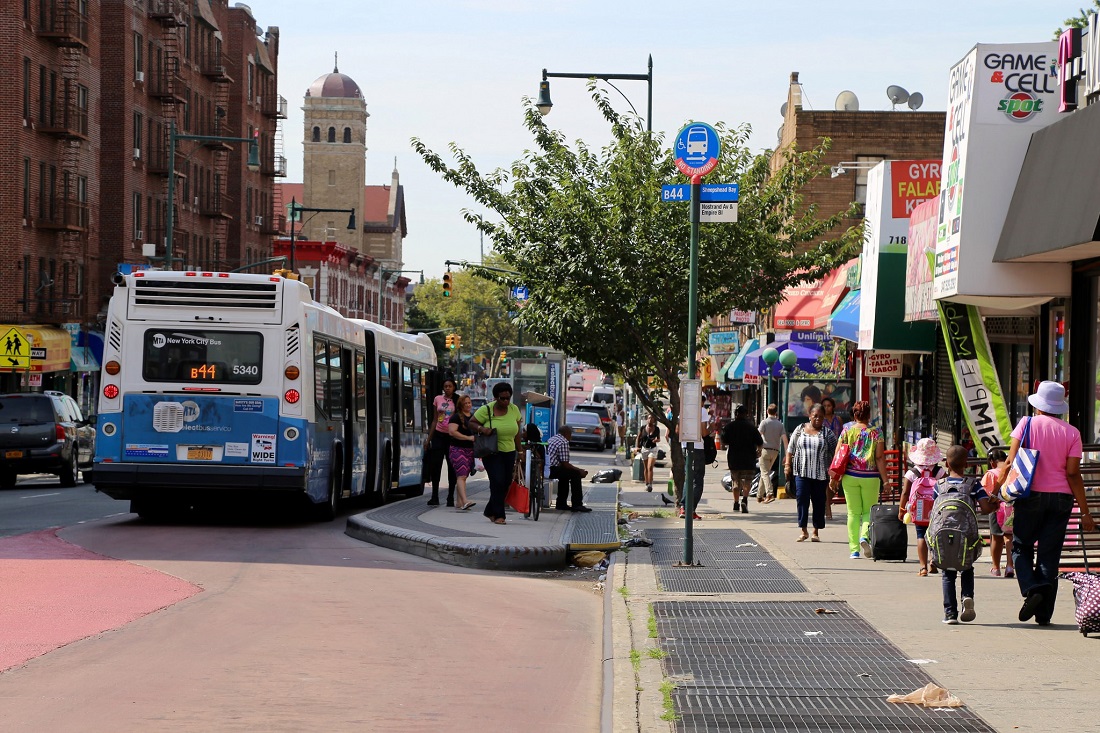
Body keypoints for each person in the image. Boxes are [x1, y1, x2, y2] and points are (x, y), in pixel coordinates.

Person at [997, 381, 1096, 626]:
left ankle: (1032, 588)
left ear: (1038, 404)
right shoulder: (1072, 432)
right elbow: (1073, 473)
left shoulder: (1026, 424)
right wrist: (1085, 512)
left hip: (1030, 495)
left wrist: (997, 488)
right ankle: (1043, 614)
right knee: (1049, 555)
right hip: (1062, 498)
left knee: (1021, 546)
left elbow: (1010, 462)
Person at [936, 445, 997, 624]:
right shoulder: (973, 484)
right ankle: (967, 596)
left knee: (947, 573)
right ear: (967, 464)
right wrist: (994, 504)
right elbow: (985, 508)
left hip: (944, 535)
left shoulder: (939, 486)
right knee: (967, 567)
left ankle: (950, 614)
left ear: (947, 464)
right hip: (967, 535)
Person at [830, 400, 887, 559]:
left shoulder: (846, 430)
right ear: (869, 415)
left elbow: (838, 453)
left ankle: (854, 550)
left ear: (854, 414)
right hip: (870, 477)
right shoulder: (877, 432)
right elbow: (880, 457)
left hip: (850, 476)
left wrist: (835, 476)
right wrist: (886, 481)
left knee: (853, 513)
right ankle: (864, 536)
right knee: (869, 511)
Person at [470, 382, 523, 525]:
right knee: (497, 481)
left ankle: (489, 510)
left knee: (505, 483)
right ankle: (500, 515)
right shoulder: (486, 409)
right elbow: (472, 422)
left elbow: (517, 432)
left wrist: (520, 451)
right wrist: (482, 429)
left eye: (508, 398)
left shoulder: (514, 409)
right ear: (495, 398)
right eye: (502, 398)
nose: (506, 401)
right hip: (492, 452)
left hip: (509, 451)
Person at [784, 404, 837, 542]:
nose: (818, 418)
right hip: (801, 472)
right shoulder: (800, 429)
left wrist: (834, 472)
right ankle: (803, 530)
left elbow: (836, 452)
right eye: (815, 416)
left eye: (820, 416)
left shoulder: (828, 434)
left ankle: (815, 531)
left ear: (824, 417)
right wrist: (787, 465)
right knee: (802, 499)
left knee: (819, 502)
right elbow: (790, 448)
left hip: (820, 475)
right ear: (810, 416)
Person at [899, 438, 947, 576]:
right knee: (936, 535)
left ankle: (922, 567)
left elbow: (905, 493)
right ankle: (933, 561)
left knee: (921, 535)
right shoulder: (939, 472)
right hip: (936, 509)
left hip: (918, 509)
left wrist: (901, 509)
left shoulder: (911, 473)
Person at [721, 404, 762, 515]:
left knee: (735, 482)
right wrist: (759, 451)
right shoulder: (751, 427)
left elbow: (724, 442)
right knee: (747, 481)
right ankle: (744, 499)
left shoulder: (729, 427)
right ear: (746, 414)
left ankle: (735, 502)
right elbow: (760, 442)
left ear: (736, 414)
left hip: (734, 459)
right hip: (749, 459)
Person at [676, 400, 714, 520]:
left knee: (689, 477)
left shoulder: (683, 411)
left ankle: (684, 508)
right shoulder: (701, 411)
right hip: (697, 448)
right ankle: (689, 508)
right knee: (697, 480)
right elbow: (703, 432)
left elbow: (677, 430)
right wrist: (711, 429)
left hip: (684, 447)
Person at [425, 378, 458, 506]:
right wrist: (428, 439)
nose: (447, 388)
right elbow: (434, 420)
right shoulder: (438, 399)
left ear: (454, 387)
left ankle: (450, 497)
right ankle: (434, 496)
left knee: (451, 466)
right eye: (445, 386)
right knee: (436, 465)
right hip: (438, 435)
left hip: (451, 436)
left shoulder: (457, 400)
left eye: (450, 386)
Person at [981, 449, 1014, 578]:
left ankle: (996, 567)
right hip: (1012, 507)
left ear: (992, 462)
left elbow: (986, 492)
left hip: (996, 508)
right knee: (1009, 537)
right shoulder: (1012, 471)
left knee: (996, 536)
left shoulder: (991, 474)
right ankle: (1010, 565)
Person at [547, 426, 591, 512]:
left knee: (565, 475)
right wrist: (579, 470)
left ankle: (561, 503)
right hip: (552, 469)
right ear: (567, 434)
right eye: (571, 434)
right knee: (575, 475)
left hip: (547, 468)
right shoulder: (563, 442)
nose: (571, 437)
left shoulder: (553, 438)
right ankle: (577, 504)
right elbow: (565, 464)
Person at [446, 394, 477, 511]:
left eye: (469, 403)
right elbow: (452, 432)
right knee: (462, 476)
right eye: (466, 403)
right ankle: (464, 501)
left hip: (470, 450)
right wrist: (468, 438)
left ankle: (459, 502)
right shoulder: (455, 418)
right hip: (457, 449)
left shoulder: (473, 417)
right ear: (461, 405)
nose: (468, 405)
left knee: (464, 476)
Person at [757, 403, 788, 504]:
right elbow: (784, 439)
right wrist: (787, 455)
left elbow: (758, 436)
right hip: (775, 452)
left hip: (764, 450)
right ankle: (759, 495)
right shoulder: (780, 424)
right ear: (776, 413)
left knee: (764, 472)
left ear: (767, 411)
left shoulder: (764, 422)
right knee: (764, 472)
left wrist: (757, 448)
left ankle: (769, 493)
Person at [635, 413, 662, 492]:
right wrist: (637, 447)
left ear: (654, 420)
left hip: (653, 449)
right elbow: (639, 438)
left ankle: (650, 484)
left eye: (652, 418)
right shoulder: (643, 428)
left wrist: (656, 440)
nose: (650, 419)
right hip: (644, 449)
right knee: (646, 468)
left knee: (650, 467)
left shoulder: (656, 429)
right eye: (649, 418)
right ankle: (646, 483)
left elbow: (659, 438)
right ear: (647, 419)